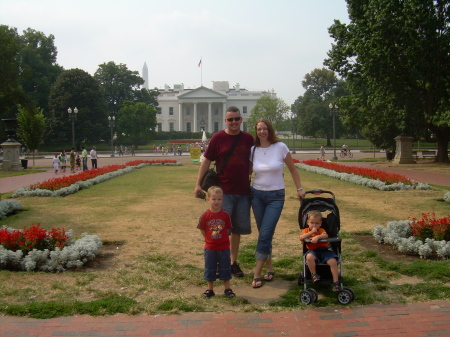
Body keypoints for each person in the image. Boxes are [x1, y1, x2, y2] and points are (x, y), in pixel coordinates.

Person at [194, 106, 254, 277]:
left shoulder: (248, 138)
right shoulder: (218, 138)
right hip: (223, 193)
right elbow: (206, 162)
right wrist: (197, 184)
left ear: (241, 119)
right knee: (220, 230)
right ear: (225, 121)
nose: (234, 122)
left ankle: (233, 262)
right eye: (230, 119)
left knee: (236, 230)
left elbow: (255, 159)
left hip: (242, 191)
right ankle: (221, 263)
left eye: (237, 119)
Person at [249, 118, 306, 288]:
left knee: (265, 233)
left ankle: (256, 273)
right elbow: (247, 172)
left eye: (265, 129)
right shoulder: (253, 149)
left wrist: (299, 188)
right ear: (256, 131)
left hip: (275, 196)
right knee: (264, 234)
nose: (262, 132)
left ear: (270, 130)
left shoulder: (280, 147)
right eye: (259, 129)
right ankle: (270, 268)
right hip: (257, 195)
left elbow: (293, 169)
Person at [197, 186, 235, 298]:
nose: (216, 201)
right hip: (210, 248)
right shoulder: (205, 215)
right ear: (208, 199)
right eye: (214, 199)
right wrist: (209, 238)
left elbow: (228, 229)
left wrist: (220, 237)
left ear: (222, 200)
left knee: (225, 268)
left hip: (223, 247)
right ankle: (210, 289)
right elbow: (203, 229)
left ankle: (227, 288)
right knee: (210, 268)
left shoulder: (225, 215)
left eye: (219, 199)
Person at [299, 210, 340, 291]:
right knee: (309, 257)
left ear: (320, 224)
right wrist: (312, 232)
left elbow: (325, 235)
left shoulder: (321, 230)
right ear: (308, 222)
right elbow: (301, 237)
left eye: (317, 223)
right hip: (312, 251)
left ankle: (336, 282)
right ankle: (314, 275)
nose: (314, 225)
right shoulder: (305, 231)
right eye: (312, 223)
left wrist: (317, 237)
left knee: (333, 261)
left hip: (324, 251)